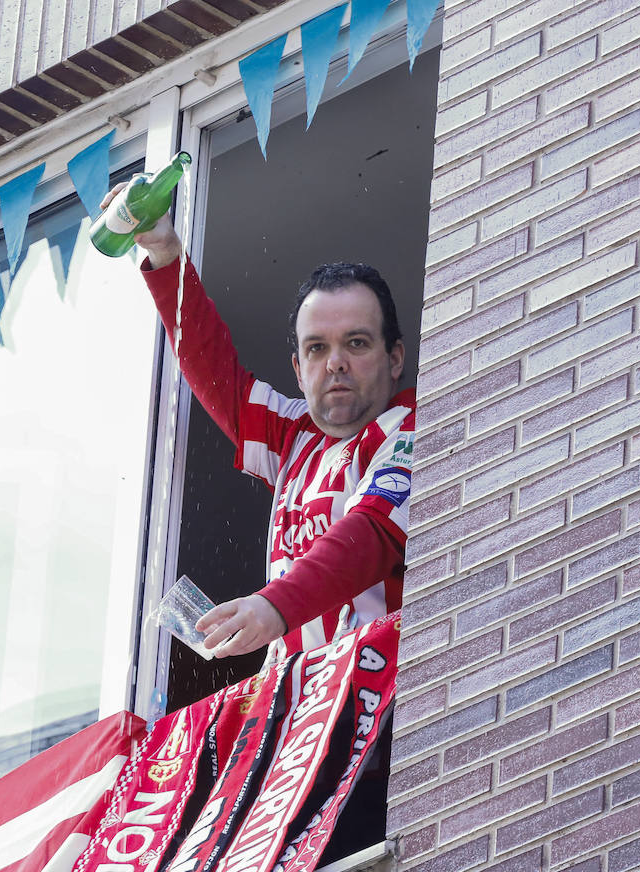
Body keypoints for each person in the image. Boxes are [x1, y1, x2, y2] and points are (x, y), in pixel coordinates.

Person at [109, 190, 416, 660]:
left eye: (356, 343)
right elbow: (218, 375)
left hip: (376, 703)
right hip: (294, 710)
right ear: (297, 369)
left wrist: (273, 606)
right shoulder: (293, 434)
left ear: (394, 358)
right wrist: (165, 254)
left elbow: (368, 535)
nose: (335, 363)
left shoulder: (411, 425)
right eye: (317, 348)